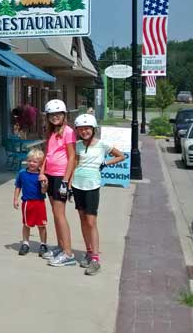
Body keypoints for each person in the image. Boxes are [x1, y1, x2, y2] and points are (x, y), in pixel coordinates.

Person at [72, 114, 125, 276]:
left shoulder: (102, 145)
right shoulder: (78, 145)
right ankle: (88, 252)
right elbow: (74, 163)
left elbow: (120, 155)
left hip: (92, 186)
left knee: (91, 222)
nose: (84, 131)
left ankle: (95, 259)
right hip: (77, 185)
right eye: (81, 129)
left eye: (87, 128)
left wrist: (105, 163)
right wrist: (67, 185)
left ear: (93, 129)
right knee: (82, 220)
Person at [38, 99, 77, 267]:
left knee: (60, 215)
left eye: (58, 114)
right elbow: (47, 154)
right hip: (50, 175)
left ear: (64, 115)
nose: (55, 117)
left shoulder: (68, 132)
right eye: (51, 115)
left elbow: (72, 158)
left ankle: (68, 253)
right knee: (55, 213)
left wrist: (66, 181)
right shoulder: (51, 132)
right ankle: (61, 247)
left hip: (61, 176)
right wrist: (42, 173)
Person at [13, 149, 49, 257]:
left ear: (40, 163)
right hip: (27, 203)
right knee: (26, 224)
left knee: (41, 225)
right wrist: (15, 199)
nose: (31, 163)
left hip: (39, 203)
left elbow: (43, 191)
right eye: (29, 161)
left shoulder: (42, 175)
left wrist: (44, 185)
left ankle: (43, 244)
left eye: (35, 161)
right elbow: (18, 186)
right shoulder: (22, 173)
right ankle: (25, 243)